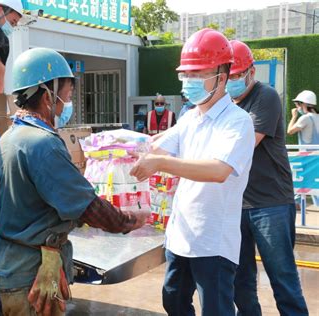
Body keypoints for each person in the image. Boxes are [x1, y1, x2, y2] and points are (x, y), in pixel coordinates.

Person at [0, 47, 149, 316]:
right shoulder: (42, 144)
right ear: (47, 94)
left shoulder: (12, 136)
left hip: (15, 262)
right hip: (30, 271)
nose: (69, 101)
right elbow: (87, 207)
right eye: (67, 94)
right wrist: (130, 220)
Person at [130, 29, 255, 316]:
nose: (189, 82)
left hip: (213, 242)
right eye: (186, 75)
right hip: (181, 237)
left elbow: (218, 170)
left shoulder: (238, 122)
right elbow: (157, 146)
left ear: (222, 77)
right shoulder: (189, 117)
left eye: (197, 74)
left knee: (216, 310)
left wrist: (159, 164)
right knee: (173, 302)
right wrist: (114, 148)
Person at [226, 40, 308, 316]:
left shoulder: (265, 96)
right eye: (227, 76)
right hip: (236, 205)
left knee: (282, 278)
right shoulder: (224, 104)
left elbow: (245, 143)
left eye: (236, 76)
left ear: (251, 72)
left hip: (271, 204)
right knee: (240, 281)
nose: (231, 81)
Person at [287, 90, 319, 206]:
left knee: (301, 180)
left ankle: (296, 202)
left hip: (306, 157)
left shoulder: (305, 118)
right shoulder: (317, 117)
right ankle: (297, 201)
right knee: (314, 184)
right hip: (316, 156)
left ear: (303, 104)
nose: (297, 107)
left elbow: (290, 131)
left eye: (297, 104)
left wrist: (294, 116)